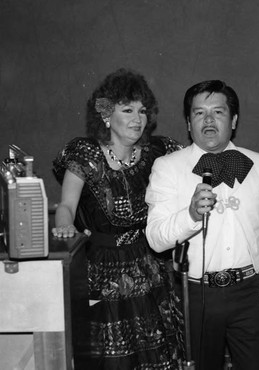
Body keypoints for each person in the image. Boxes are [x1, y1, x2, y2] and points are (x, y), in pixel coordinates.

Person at [145, 80, 259, 370]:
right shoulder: (168, 166)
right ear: (188, 123)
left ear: (234, 120)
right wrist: (191, 216)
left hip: (248, 292)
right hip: (196, 294)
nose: (209, 120)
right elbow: (155, 238)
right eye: (199, 113)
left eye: (218, 112)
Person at [52, 68, 184, 369]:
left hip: (149, 265)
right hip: (101, 268)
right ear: (107, 116)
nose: (138, 118)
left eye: (142, 110)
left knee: (158, 353)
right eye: (128, 110)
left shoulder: (158, 153)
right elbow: (66, 206)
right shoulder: (85, 154)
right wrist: (63, 224)